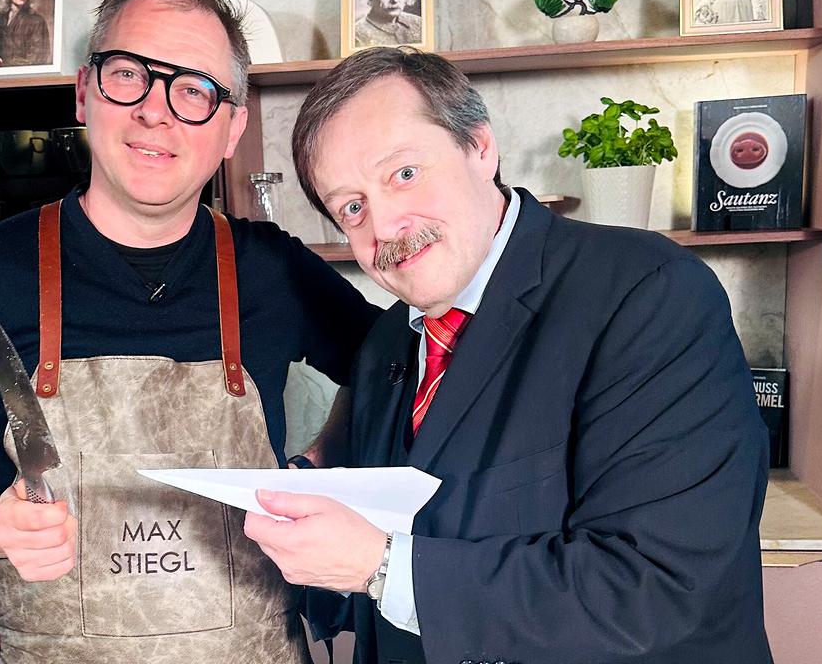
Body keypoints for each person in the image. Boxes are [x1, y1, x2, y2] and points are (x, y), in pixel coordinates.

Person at [0, 0, 379, 664]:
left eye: (194, 90)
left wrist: (323, 460)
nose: (156, 110)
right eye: (129, 75)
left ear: (233, 127)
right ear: (86, 93)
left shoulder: (273, 268)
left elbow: (395, 366)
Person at [243, 47, 773, 664]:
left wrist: (380, 566)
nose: (383, 225)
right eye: (352, 207)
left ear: (479, 146)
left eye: (404, 173)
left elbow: (654, 587)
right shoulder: (388, 342)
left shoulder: (648, 292)